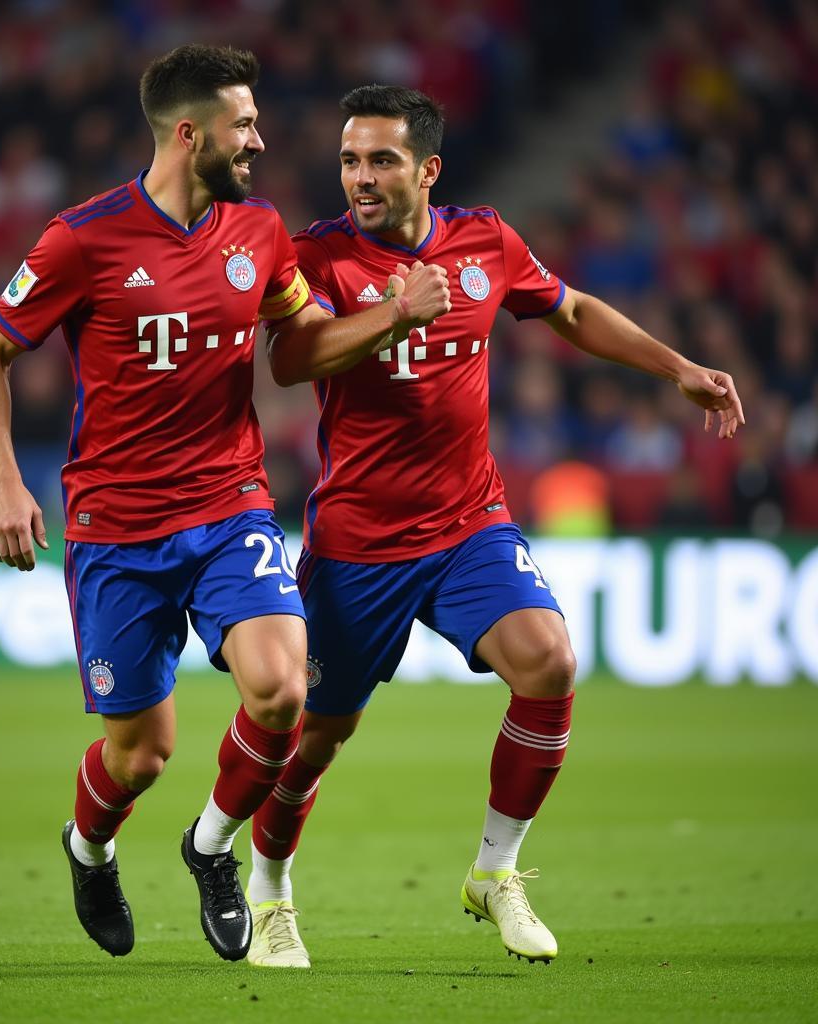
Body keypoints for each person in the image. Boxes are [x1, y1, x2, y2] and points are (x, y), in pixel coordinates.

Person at [0, 51, 449, 964]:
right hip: (116, 526)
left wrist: (390, 317)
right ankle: (90, 847)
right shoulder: (82, 239)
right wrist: (1, 476)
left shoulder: (259, 231)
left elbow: (303, 345)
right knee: (138, 756)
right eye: (245, 125)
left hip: (230, 508)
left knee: (281, 688)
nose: (260, 139)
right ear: (191, 135)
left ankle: (212, 845)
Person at [250, 85, 745, 969]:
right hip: (360, 538)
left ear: (427, 168)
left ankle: (495, 871)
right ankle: (271, 890)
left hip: (469, 520)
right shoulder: (317, 255)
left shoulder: (485, 240)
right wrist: (394, 313)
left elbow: (572, 310)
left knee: (549, 660)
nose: (361, 178)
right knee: (318, 735)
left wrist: (675, 366)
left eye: (382, 160)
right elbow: (290, 360)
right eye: (350, 160)